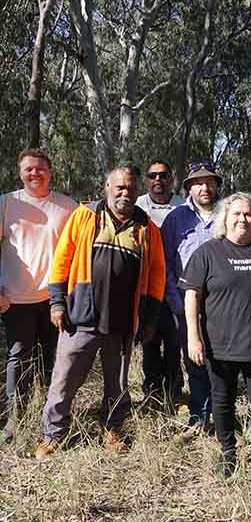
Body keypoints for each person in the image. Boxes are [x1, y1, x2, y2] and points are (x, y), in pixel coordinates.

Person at [34, 164, 166, 459]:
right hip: (79, 317)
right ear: (106, 187)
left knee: (117, 383)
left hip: (121, 323)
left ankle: (113, 429)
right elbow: (62, 259)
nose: (125, 193)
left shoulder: (147, 228)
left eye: (131, 188)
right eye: (119, 187)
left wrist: (150, 319)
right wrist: (57, 302)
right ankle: (53, 435)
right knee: (64, 379)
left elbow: (157, 275)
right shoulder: (85, 216)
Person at [180, 192, 251, 486]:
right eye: (236, 214)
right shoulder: (208, 253)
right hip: (219, 344)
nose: (243, 219)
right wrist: (193, 338)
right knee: (222, 401)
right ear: (225, 218)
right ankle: (228, 454)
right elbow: (192, 296)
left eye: (248, 214)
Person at [0, 148, 78, 443]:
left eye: (40, 169)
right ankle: (14, 420)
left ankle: (49, 415)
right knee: (19, 358)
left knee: (53, 359)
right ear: (20, 173)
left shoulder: (68, 207)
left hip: (55, 301)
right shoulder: (7, 204)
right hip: (15, 300)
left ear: (50, 172)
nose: (35, 174)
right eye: (28, 169)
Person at [161, 163, 219, 438]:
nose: (204, 188)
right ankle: (199, 418)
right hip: (186, 305)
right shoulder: (176, 218)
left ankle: (223, 417)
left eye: (209, 182)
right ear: (188, 188)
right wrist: (176, 300)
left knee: (222, 363)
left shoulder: (229, 214)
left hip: (224, 307)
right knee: (194, 361)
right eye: (198, 183)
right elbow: (165, 263)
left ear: (217, 185)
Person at [136, 161, 184, 407]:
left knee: (175, 342)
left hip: (176, 287)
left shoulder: (183, 205)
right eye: (152, 175)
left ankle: (175, 390)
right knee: (150, 340)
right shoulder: (138, 207)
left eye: (163, 175)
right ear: (146, 180)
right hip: (147, 287)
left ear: (171, 179)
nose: (158, 180)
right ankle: (152, 391)